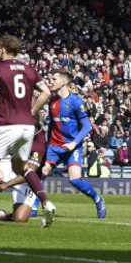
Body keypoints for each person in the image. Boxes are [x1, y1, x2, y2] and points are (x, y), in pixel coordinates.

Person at [0, 35, 54, 228]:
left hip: (8, 123)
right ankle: (46, 202)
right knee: (22, 168)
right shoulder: (30, 69)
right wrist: (31, 111)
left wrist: (5, 105)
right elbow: (46, 92)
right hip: (27, 127)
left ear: (4, 49)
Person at [41, 70, 106, 218]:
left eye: (53, 79)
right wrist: (47, 141)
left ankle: (98, 199)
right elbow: (52, 123)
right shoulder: (52, 101)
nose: (50, 81)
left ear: (63, 82)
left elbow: (87, 126)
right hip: (54, 145)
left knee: (75, 180)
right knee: (41, 173)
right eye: (49, 78)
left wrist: (74, 143)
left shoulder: (76, 102)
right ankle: (33, 206)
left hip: (72, 146)